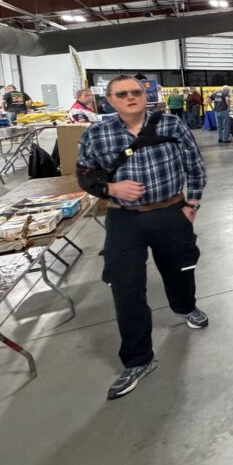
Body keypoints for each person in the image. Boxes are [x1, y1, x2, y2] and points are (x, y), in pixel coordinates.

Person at [76, 75, 208, 399]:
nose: (131, 97)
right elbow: (84, 175)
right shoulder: (97, 134)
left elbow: (194, 164)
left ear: (145, 95)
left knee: (181, 268)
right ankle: (138, 359)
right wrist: (110, 189)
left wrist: (192, 203)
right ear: (110, 101)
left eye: (136, 92)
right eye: (122, 94)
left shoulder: (171, 125)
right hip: (124, 217)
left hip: (171, 211)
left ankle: (186, 306)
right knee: (125, 286)